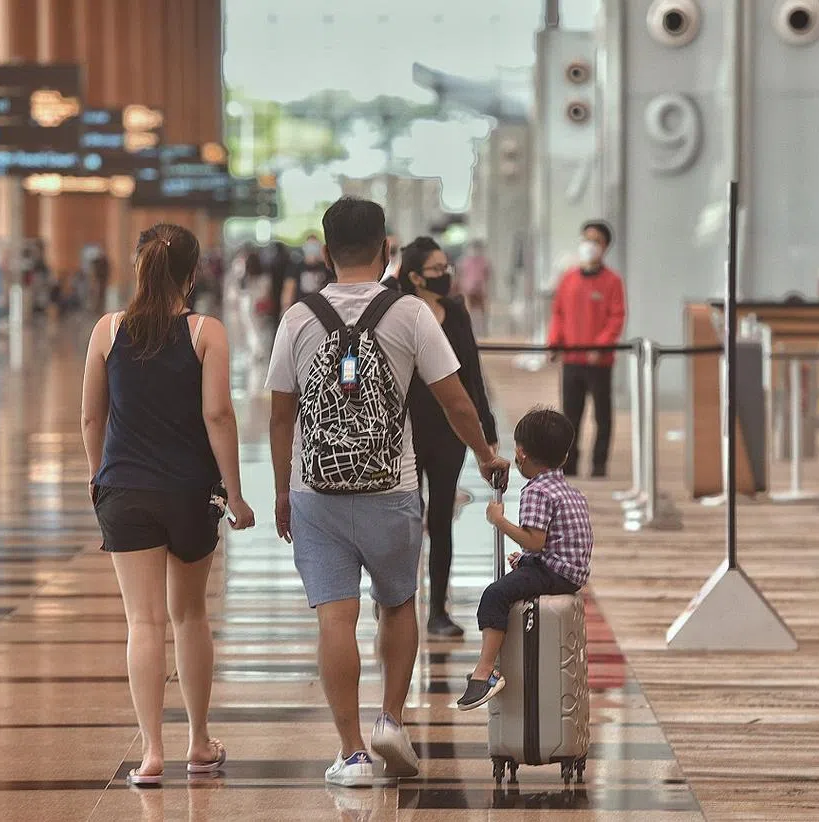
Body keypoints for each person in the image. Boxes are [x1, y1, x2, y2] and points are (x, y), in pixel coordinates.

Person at [266, 197, 509, 787]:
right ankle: (390, 721)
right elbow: (456, 401)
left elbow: (280, 415)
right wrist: (485, 455)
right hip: (392, 487)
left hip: (316, 490)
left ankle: (351, 753)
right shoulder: (410, 315)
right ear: (385, 251)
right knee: (398, 604)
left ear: (327, 253)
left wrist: (281, 492)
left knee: (336, 616)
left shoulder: (298, 318)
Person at [81, 223, 256, 787]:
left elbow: (91, 416)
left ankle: (151, 753)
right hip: (189, 491)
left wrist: (98, 475)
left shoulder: (107, 330)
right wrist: (235, 492)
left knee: (143, 621)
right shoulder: (206, 332)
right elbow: (218, 415)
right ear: (192, 273)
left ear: (138, 268)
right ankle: (198, 741)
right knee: (190, 614)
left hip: (124, 491)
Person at [458, 407, 593, 710]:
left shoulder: (537, 491)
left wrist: (499, 521)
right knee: (518, 574)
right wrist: (528, 559)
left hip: (555, 573)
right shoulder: (569, 491)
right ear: (564, 456)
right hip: (571, 573)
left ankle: (485, 671)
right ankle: (487, 669)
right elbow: (554, 543)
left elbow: (535, 540)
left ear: (520, 453)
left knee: (495, 595)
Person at [397, 237, 497, 638]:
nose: (445, 275)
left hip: (450, 432)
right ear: (415, 276)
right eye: (437, 269)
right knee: (405, 519)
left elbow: (472, 373)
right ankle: (396, 604)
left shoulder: (455, 311)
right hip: (404, 432)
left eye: (446, 267)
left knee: (441, 519)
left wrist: (487, 431)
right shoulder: (397, 309)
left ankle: (438, 609)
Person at [547, 219, 626, 478]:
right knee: (570, 416)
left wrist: (600, 347)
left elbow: (616, 317)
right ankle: (569, 464)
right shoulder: (568, 279)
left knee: (602, 416)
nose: (589, 245)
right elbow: (558, 314)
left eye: (596, 241)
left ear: (605, 247)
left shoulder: (612, 281)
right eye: (586, 239)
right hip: (572, 359)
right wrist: (554, 343)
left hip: (598, 362)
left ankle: (599, 465)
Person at [281, 234, 333, 311]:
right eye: (310, 245)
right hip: (302, 306)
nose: (312, 248)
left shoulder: (326, 267)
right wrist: (285, 307)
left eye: (315, 245)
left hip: (321, 307)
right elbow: (289, 287)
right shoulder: (297, 267)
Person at [456, 240, 493, 334]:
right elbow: (460, 275)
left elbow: (487, 276)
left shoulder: (485, 262)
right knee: (468, 309)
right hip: (468, 288)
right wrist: (461, 288)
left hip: (480, 289)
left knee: (483, 309)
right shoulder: (464, 261)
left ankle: (485, 328)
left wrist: (486, 288)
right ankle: (467, 327)